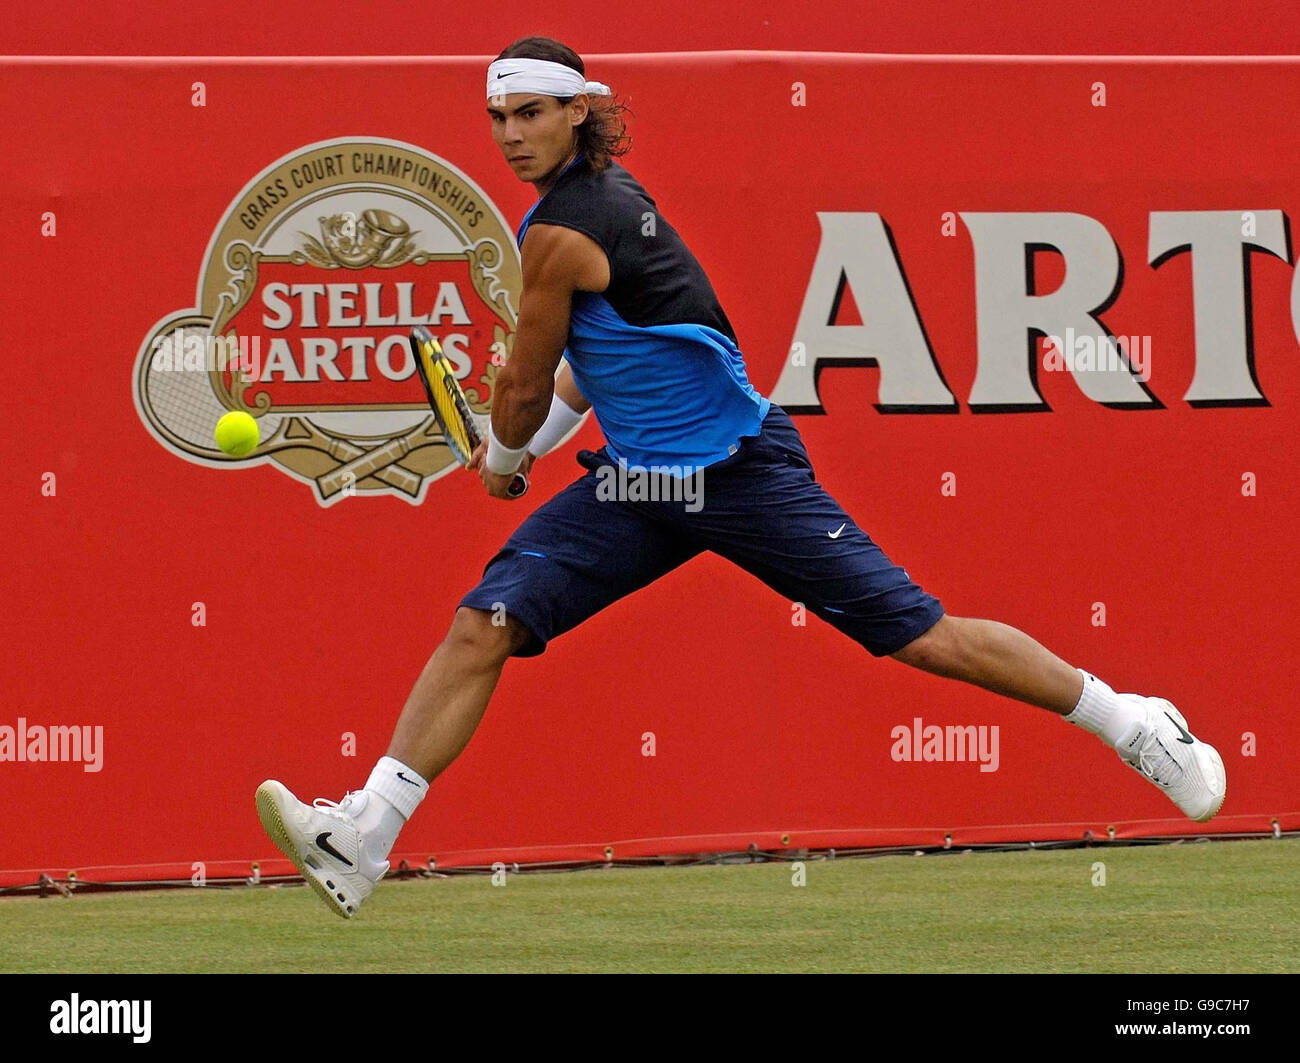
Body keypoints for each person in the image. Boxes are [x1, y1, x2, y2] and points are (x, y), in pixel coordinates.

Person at [255, 36, 1225, 919]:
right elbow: (586, 368)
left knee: (925, 639)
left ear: (577, 111)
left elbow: (515, 391)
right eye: (498, 119)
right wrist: (528, 449)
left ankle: (1129, 719)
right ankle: (365, 833)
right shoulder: (587, 208)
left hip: (737, 474)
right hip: (640, 488)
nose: (511, 135)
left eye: (530, 114)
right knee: (486, 624)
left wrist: (507, 459)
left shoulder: (564, 232)